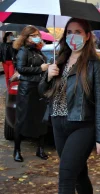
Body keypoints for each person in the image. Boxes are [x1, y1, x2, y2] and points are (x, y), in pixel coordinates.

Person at [38, 18, 100, 194]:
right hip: (58, 122)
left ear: (87, 36)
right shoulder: (59, 61)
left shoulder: (95, 65)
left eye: (78, 32)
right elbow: (41, 91)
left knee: (66, 176)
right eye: (69, 32)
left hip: (82, 125)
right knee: (78, 174)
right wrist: (48, 76)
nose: (73, 36)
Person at [12, 26, 49, 162]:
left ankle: (40, 149)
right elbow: (21, 68)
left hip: (39, 88)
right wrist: (40, 68)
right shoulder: (23, 51)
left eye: (37, 34)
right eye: (33, 35)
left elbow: (43, 68)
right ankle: (17, 150)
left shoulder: (39, 51)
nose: (36, 36)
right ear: (26, 37)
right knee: (22, 119)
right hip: (27, 89)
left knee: (41, 119)